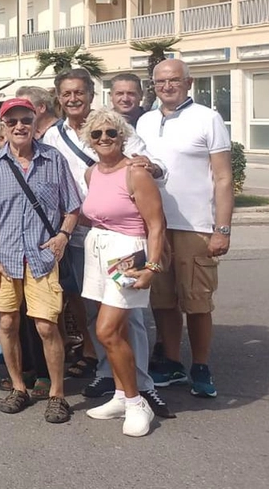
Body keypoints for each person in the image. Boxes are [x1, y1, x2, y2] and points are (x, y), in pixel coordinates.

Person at [40, 69, 169, 416]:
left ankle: (140, 386)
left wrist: (151, 169)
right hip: (86, 237)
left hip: (125, 241)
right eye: (66, 94)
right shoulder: (53, 136)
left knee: (130, 319)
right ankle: (109, 377)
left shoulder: (118, 126)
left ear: (90, 93)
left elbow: (152, 166)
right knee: (100, 310)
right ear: (59, 97)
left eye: (79, 92)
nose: (73, 99)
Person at [0, 97, 81, 424]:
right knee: (7, 323)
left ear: (35, 124)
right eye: (12, 121)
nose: (19, 127)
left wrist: (62, 236)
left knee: (47, 325)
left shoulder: (54, 160)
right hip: (4, 258)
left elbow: (72, 207)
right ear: (3, 126)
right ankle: (19, 387)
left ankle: (57, 394)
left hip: (42, 256)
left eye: (25, 121)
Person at [135, 59, 232, 399]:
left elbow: (223, 177)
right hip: (156, 225)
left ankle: (201, 365)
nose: (167, 86)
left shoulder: (208, 118)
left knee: (197, 301)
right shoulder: (146, 121)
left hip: (196, 226)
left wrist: (222, 229)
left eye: (174, 80)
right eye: (161, 81)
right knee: (162, 299)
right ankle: (173, 361)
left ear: (188, 83)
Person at [79, 108, 168, 437]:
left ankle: (135, 402)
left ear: (122, 136)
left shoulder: (136, 172)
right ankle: (120, 394)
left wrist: (152, 267)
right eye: (97, 134)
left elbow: (157, 225)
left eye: (111, 133)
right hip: (98, 251)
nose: (104, 139)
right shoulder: (91, 173)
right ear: (89, 140)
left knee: (106, 331)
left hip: (126, 256)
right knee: (113, 331)